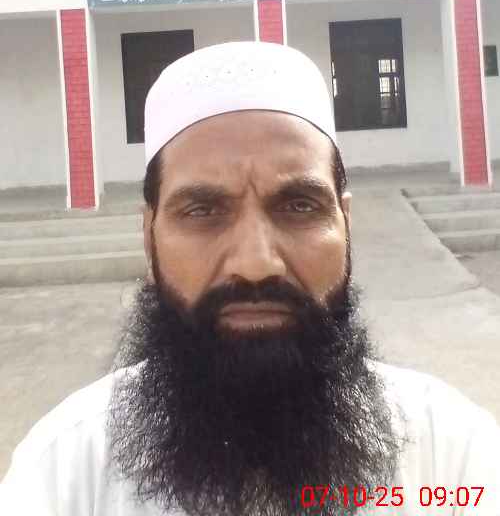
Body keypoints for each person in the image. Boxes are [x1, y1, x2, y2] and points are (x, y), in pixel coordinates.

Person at [1, 40, 499, 516]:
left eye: (299, 206)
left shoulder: (451, 458)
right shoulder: (60, 476)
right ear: (149, 240)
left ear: (346, 225)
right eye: (202, 211)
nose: (256, 263)